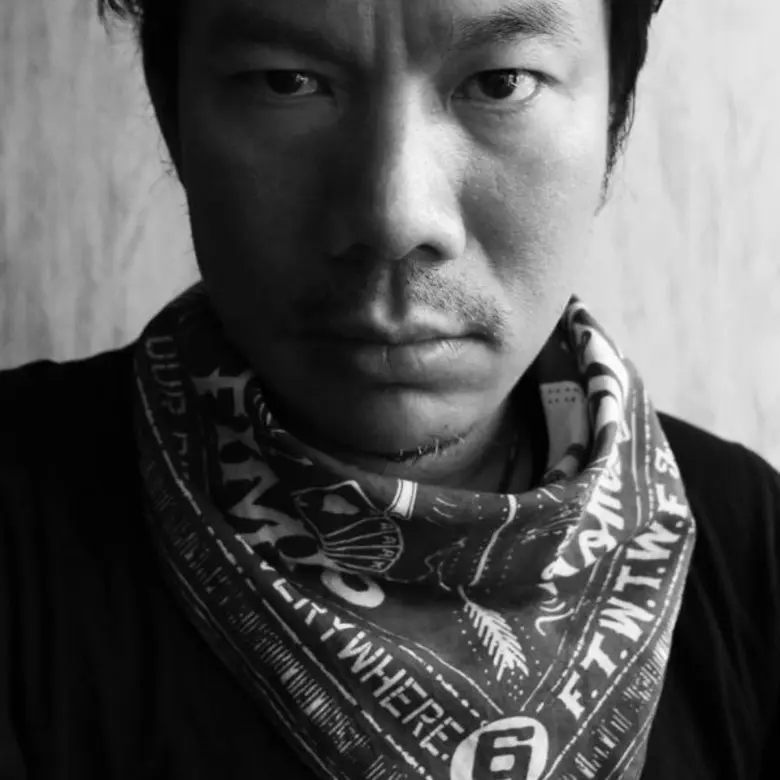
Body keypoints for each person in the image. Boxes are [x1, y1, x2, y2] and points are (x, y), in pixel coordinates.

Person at [0, 0, 777, 778]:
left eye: (502, 83)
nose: (397, 217)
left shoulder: (751, 543)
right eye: (286, 81)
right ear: (172, 113)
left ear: (615, 116)